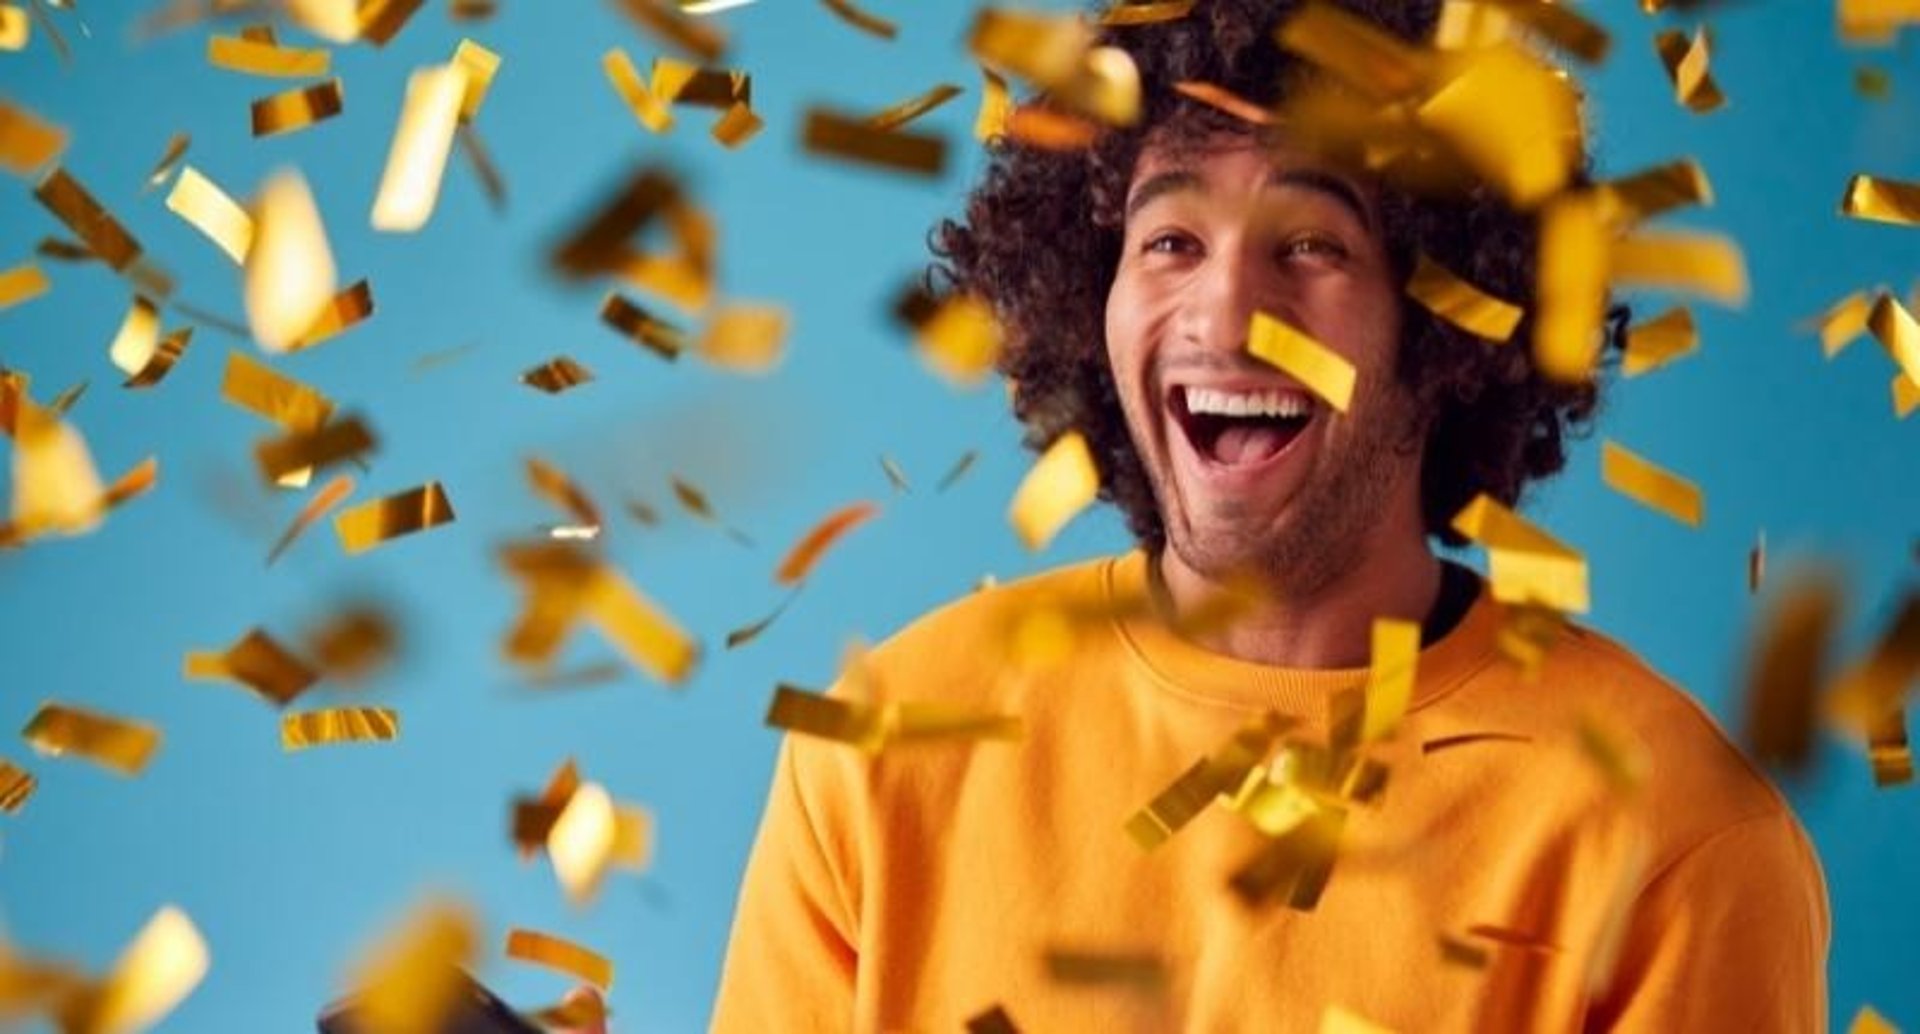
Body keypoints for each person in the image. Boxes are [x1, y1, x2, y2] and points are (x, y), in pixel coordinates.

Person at [577, 0, 1829, 1030]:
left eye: (1313, 246)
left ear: (1446, 321)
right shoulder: (879, 752)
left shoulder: (1673, 841)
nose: (1227, 318)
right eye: (1170, 238)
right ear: (1090, 295)